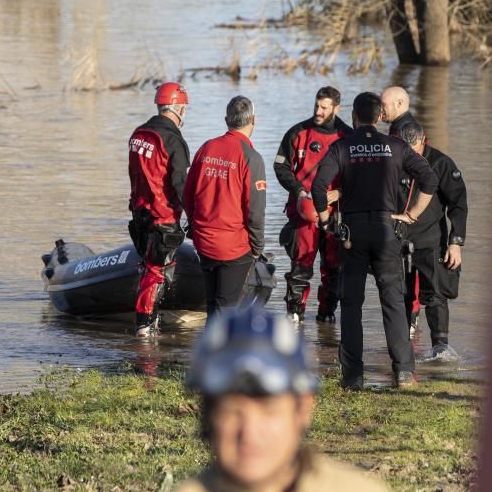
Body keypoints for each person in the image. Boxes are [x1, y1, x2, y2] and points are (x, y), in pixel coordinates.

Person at [99, 306, 444, 492]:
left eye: (268, 410)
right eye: (232, 411)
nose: (250, 431)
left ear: (304, 408)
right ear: (205, 416)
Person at [311, 92, 437, 389]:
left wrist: (325, 219)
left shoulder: (342, 146)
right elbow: (430, 179)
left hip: (353, 233)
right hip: (386, 230)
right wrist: (412, 215)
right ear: (380, 116)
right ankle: (404, 372)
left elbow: (318, 186)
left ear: (354, 116)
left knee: (351, 304)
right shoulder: (395, 146)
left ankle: (353, 376)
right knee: (393, 301)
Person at [273, 86, 353, 325]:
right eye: (316, 105)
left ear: (336, 108)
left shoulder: (347, 137)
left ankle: (326, 313)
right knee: (300, 266)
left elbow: (360, 176)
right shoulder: (297, 132)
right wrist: (298, 190)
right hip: (302, 212)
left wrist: (340, 193)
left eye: (324, 107)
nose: (318, 111)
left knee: (333, 267)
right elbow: (281, 167)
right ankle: (294, 312)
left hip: (335, 213)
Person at [184, 96, 266, 316]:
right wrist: (257, 247)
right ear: (253, 121)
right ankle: (218, 349)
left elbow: (188, 194)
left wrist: (194, 225)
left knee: (213, 306)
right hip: (234, 247)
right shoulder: (251, 157)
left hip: (204, 241)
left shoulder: (207, 148)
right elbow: (255, 211)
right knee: (226, 311)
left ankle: (210, 347)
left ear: (226, 120)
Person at [395, 120, 468, 359]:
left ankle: (440, 348)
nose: (411, 157)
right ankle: (401, 348)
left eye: (414, 151)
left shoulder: (441, 163)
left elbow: (458, 204)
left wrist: (456, 242)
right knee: (398, 294)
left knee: (435, 295)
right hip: (398, 240)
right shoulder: (392, 160)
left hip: (431, 240)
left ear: (423, 140)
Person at [127, 82, 191, 337]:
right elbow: (180, 183)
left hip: (138, 212)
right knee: (157, 270)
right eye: (184, 108)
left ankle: (147, 319)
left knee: (147, 266)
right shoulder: (173, 139)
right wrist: (195, 215)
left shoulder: (138, 134)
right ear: (177, 108)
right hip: (162, 215)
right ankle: (145, 324)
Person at [380, 85, 427, 335]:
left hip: (403, 211)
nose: (380, 109)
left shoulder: (403, 130)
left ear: (399, 104)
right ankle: (410, 319)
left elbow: (406, 176)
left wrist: (401, 213)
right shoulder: (398, 128)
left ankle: (410, 318)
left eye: (384, 104)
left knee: (406, 268)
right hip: (404, 208)